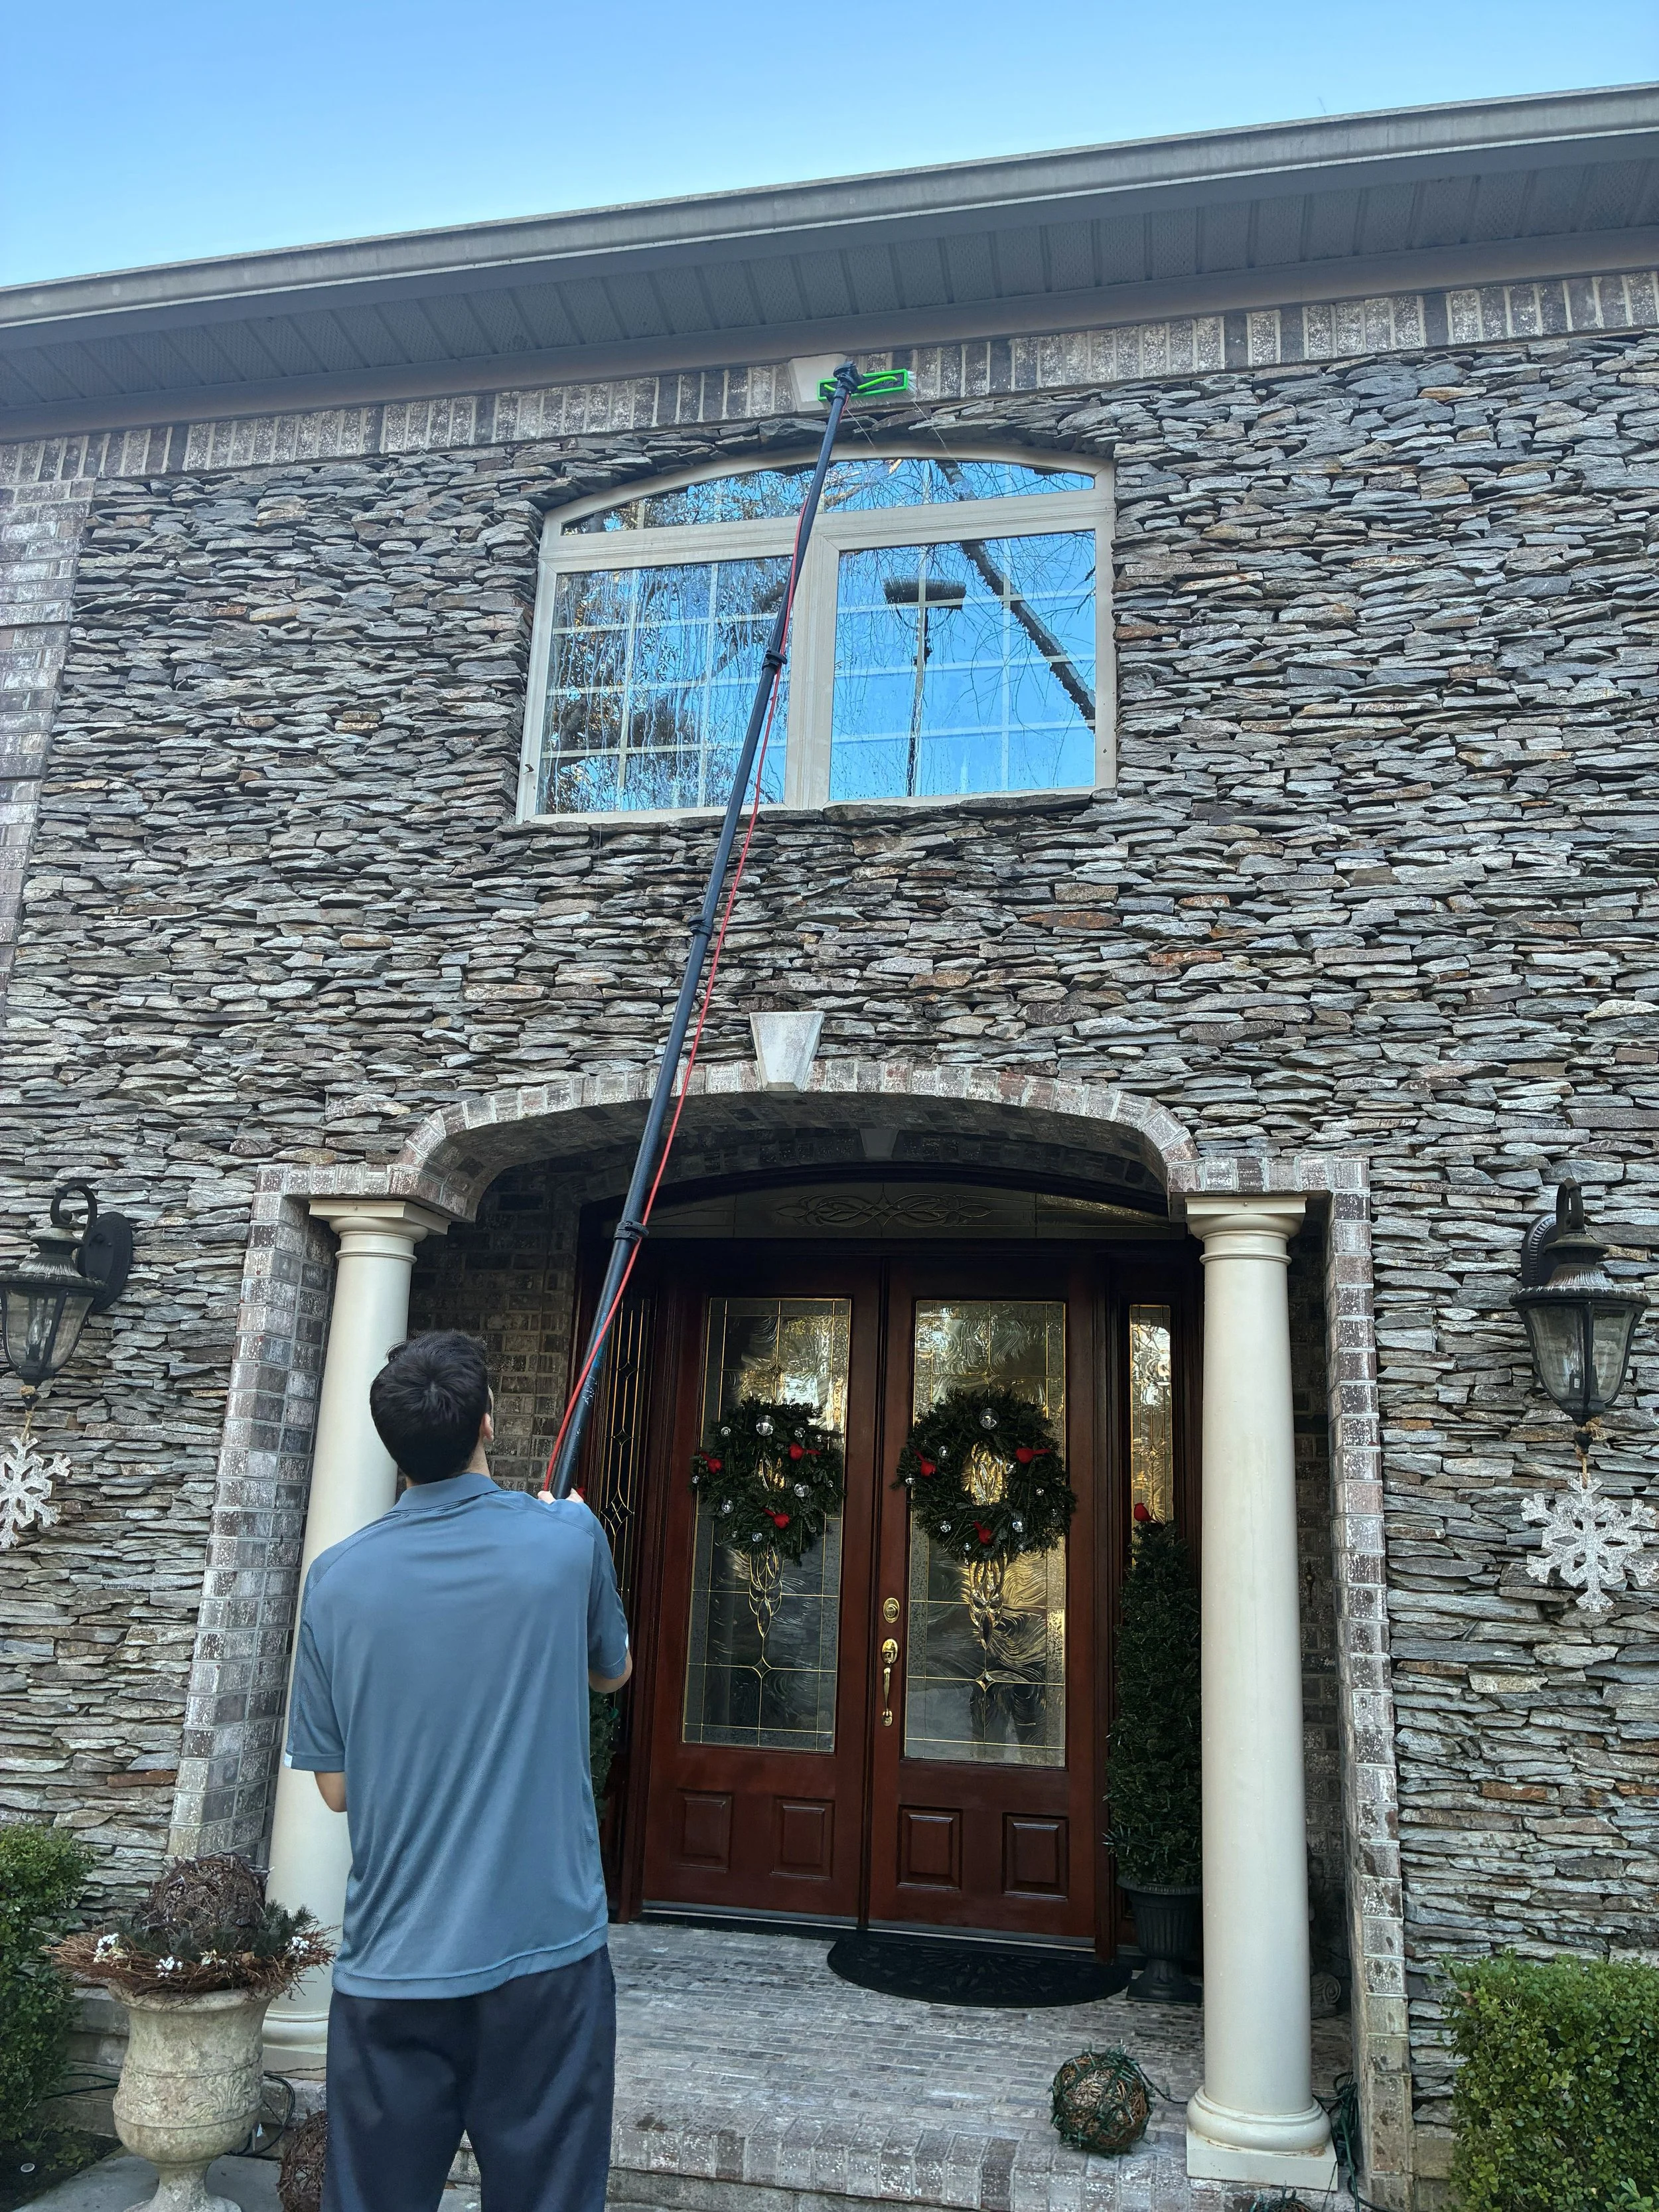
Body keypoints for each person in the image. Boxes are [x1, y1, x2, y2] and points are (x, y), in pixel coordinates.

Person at [283, 1329, 632, 2212]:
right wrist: (568, 1534)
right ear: (487, 1420)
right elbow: (611, 1671)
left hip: (392, 1967)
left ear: (392, 1443)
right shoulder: (566, 1538)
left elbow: (335, 1788)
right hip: (546, 1964)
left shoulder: (335, 1581)